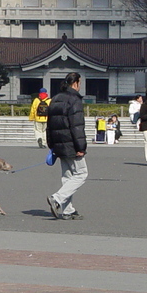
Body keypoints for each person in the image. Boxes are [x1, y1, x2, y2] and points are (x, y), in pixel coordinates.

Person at [46, 72, 87, 220]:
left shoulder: (55, 98)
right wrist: (81, 147)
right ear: (75, 83)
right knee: (81, 173)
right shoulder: (74, 99)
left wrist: (51, 144)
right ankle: (57, 198)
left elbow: (49, 124)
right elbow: (77, 126)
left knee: (67, 176)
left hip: (58, 143)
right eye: (79, 83)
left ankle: (67, 210)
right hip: (71, 144)